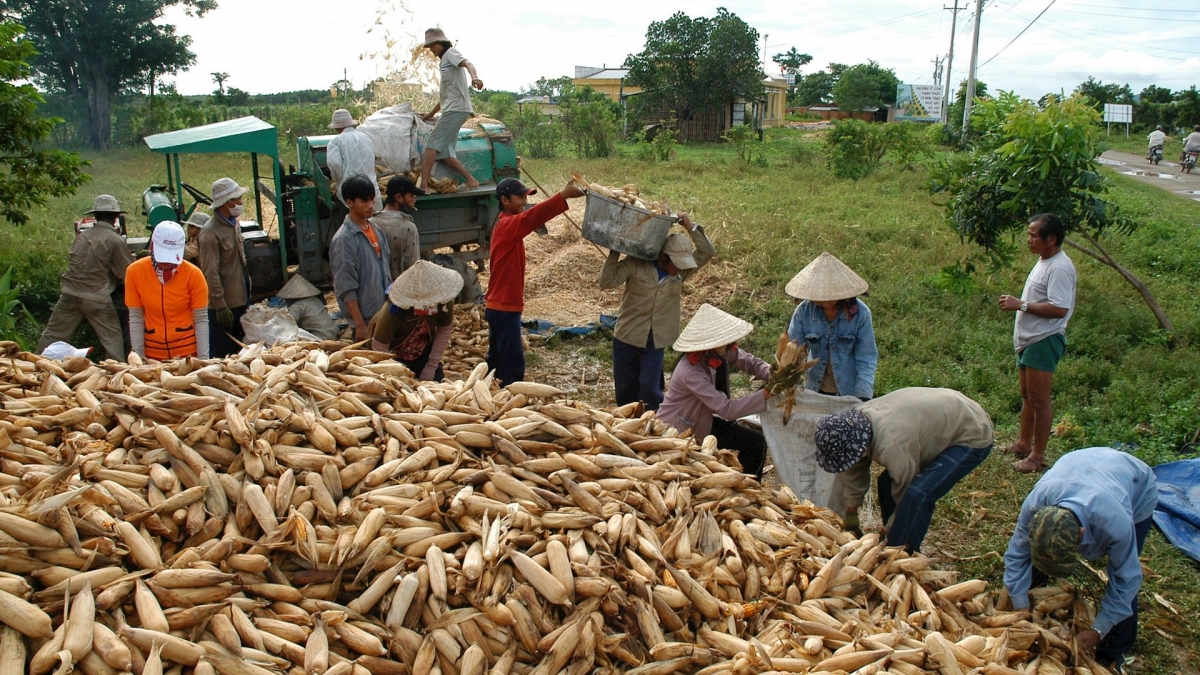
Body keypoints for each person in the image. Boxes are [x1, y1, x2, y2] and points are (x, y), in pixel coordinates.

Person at [1003, 448, 1157, 672]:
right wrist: (1021, 608)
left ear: (1081, 534)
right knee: (1032, 565)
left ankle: (1113, 652)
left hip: (1136, 484)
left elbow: (1126, 579)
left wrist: (1098, 630)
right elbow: (1017, 554)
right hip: (1078, 467)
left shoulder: (1116, 526)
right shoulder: (1035, 505)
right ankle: (1032, 594)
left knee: (1125, 577)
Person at [815, 387, 994, 552]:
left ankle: (905, 552)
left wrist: (890, 531)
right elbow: (854, 467)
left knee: (918, 494)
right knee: (886, 483)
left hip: (972, 433)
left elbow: (907, 493)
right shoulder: (856, 423)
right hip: (942, 417)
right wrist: (851, 510)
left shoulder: (893, 445)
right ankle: (894, 541)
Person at [598, 216, 715, 410]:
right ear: (663, 257)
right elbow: (606, 281)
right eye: (675, 263)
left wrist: (690, 226)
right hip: (628, 335)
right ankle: (626, 422)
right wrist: (614, 252)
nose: (679, 268)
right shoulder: (636, 265)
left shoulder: (680, 273)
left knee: (650, 387)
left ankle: (653, 422)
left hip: (657, 339)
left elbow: (707, 251)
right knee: (625, 389)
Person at [485, 177, 584, 384]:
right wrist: (562, 195)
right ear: (504, 199)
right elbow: (533, 217)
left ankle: (490, 396)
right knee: (512, 367)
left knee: (496, 362)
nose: (524, 201)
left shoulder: (507, 225)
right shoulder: (507, 225)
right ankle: (507, 403)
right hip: (504, 308)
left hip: (500, 306)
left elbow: (531, 216)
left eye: (525, 197)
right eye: (520, 197)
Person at [998, 213, 1076, 473]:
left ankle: (1038, 456)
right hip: (1029, 339)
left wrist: (1020, 305)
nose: (1029, 240)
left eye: (1033, 235)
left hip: (1044, 339)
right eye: (1028, 234)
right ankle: (1023, 443)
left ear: (1050, 238)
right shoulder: (1045, 261)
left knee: (1040, 401)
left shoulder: (1060, 268)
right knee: (1027, 396)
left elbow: (1059, 309)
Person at [656, 304, 772, 477]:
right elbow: (727, 409)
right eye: (724, 342)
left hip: (706, 421)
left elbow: (750, 362)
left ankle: (751, 486)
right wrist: (765, 395)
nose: (730, 345)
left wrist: (774, 373)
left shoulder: (720, 351)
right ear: (710, 344)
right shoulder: (690, 372)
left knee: (756, 442)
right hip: (681, 431)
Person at [36, 195, 135, 361]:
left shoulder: (81, 237)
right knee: (112, 337)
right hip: (96, 296)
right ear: (116, 217)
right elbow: (126, 273)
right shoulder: (114, 240)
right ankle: (116, 373)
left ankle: (33, 364)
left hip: (70, 293)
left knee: (53, 334)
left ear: (95, 215)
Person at [785, 252, 878, 400]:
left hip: (848, 390)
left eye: (831, 298)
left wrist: (863, 397)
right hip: (816, 388)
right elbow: (791, 352)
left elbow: (866, 357)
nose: (826, 302)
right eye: (821, 298)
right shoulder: (804, 312)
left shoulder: (860, 314)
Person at [125, 221, 210, 360]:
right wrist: (138, 356)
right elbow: (136, 316)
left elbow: (200, 318)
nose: (167, 263)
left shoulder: (193, 274)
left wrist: (203, 359)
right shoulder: (135, 272)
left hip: (187, 354)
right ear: (152, 247)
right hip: (152, 355)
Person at [369, 260, 461, 380]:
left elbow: (444, 331)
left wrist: (431, 366)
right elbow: (380, 349)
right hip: (394, 355)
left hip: (422, 352)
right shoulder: (393, 311)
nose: (428, 306)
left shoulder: (444, 301)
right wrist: (394, 376)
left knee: (437, 381)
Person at [420, 28, 484, 191]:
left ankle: (423, 185)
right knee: (445, 153)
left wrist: (474, 77)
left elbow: (468, 63)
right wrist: (430, 115)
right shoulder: (444, 62)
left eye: (432, 46)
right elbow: (445, 97)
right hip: (453, 108)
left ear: (440, 43)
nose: (431, 51)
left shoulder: (451, 54)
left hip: (456, 109)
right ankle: (471, 180)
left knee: (431, 146)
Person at [330, 176, 392, 342]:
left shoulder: (376, 230)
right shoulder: (344, 239)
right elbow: (346, 286)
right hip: (365, 319)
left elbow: (386, 270)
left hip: (383, 313)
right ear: (350, 202)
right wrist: (359, 324)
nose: (370, 206)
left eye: (372, 200)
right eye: (364, 201)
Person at [198, 178, 251, 358]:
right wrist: (220, 305)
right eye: (238, 199)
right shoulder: (209, 233)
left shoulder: (233, 224)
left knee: (240, 353)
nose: (241, 203)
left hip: (240, 299)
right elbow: (210, 273)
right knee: (222, 355)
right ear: (228, 203)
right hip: (225, 306)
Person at [373, 175, 423, 282]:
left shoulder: (371, 223)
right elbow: (413, 269)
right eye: (411, 196)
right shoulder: (409, 228)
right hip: (399, 292)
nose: (414, 201)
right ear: (399, 197)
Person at [326, 109, 378, 203]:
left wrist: (338, 182)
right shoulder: (366, 138)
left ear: (336, 127)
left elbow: (335, 165)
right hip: (371, 189)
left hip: (351, 192)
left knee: (350, 215)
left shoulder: (335, 142)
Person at [276, 274, 338, 340]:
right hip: (333, 333)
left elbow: (287, 323)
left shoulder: (298, 306)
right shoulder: (315, 300)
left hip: (321, 337)